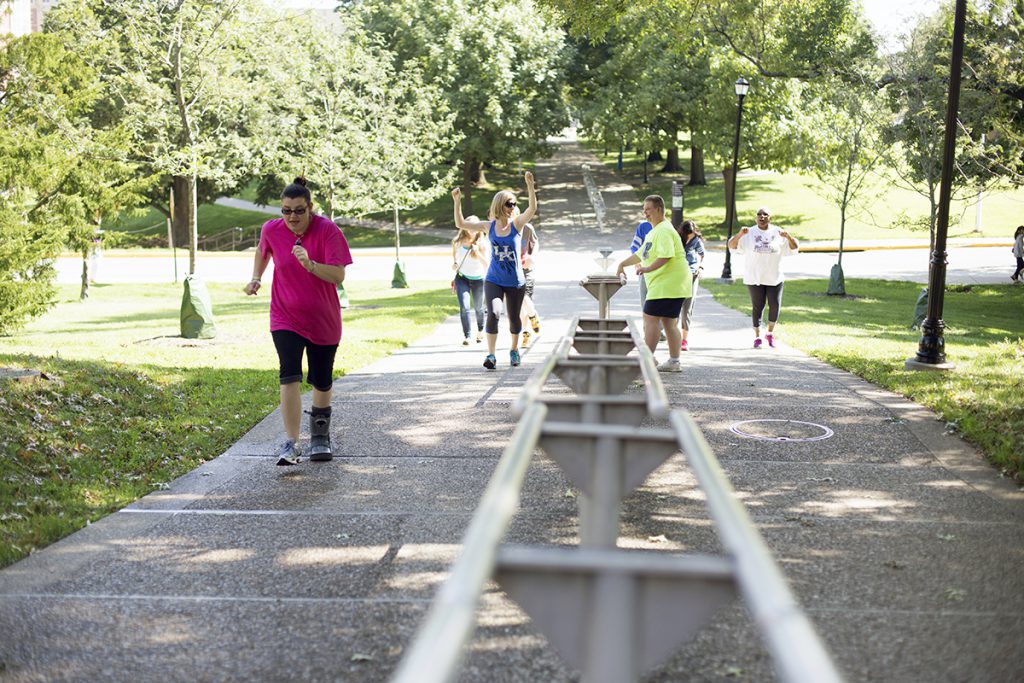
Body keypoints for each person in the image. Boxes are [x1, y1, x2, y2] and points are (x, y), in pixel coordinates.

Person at [244, 177, 352, 465]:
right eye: (286, 210)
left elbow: (339, 276)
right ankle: (290, 443)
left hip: (323, 318)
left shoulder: (328, 231)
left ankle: (319, 437)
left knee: (321, 380)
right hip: (285, 315)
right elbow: (262, 250)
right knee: (288, 374)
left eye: (299, 210)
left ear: (310, 208)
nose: (292, 217)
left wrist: (310, 265)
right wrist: (256, 277)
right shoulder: (272, 229)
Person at [452, 171, 538, 369]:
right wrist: (457, 201)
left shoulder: (517, 224)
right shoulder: (489, 226)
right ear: (500, 205)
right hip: (494, 279)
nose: (513, 207)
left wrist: (530, 185)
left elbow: (532, 209)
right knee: (494, 313)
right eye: (509, 204)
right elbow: (461, 223)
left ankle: (514, 350)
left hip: (515, 281)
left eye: (514, 204)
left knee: (515, 317)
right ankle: (491, 355)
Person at [615, 195, 691, 372]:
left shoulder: (664, 230)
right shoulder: (653, 231)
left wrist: (647, 269)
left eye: (648, 209)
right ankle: (674, 362)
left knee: (650, 318)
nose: (645, 213)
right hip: (670, 284)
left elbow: (667, 255)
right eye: (644, 210)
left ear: (659, 209)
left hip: (668, 283)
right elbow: (641, 254)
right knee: (669, 323)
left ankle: (647, 360)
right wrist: (621, 265)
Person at [728, 207, 799, 349]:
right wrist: (739, 234)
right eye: (759, 214)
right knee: (758, 307)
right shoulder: (749, 232)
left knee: (775, 305)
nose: (761, 216)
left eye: (765, 214)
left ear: (769, 218)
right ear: (756, 218)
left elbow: (794, 248)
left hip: (775, 277)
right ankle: (758, 336)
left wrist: (789, 237)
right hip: (755, 277)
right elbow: (732, 246)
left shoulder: (778, 232)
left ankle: (770, 333)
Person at [451, 223, 488, 345]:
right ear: (465, 227)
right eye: (470, 227)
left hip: (478, 279)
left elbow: (487, 264)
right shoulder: (457, 242)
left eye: (475, 228)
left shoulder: (482, 244)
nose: (472, 230)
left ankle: (481, 330)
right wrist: (455, 265)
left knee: (478, 308)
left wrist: (477, 253)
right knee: (464, 307)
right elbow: (455, 260)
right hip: (462, 279)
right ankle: (467, 336)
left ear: (478, 230)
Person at [677, 220, 705, 351]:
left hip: (692, 276)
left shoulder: (697, 240)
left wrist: (700, 267)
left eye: (692, 233)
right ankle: (674, 337)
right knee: (675, 307)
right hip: (677, 276)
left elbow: (702, 255)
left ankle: (684, 340)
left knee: (687, 309)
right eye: (688, 234)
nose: (691, 236)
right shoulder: (677, 240)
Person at [519, 222, 541, 346]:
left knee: (525, 297)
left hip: (527, 270)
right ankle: (526, 333)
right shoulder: (504, 229)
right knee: (520, 306)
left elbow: (536, 243)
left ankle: (533, 317)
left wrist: (532, 257)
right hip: (512, 271)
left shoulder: (527, 228)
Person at [628, 218, 654, 307]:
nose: (645, 212)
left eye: (648, 209)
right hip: (644, 270)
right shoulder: (644, 226)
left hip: (661, 271)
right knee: (645, 303)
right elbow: (634, 246)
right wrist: (637, 261)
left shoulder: (666, 227)